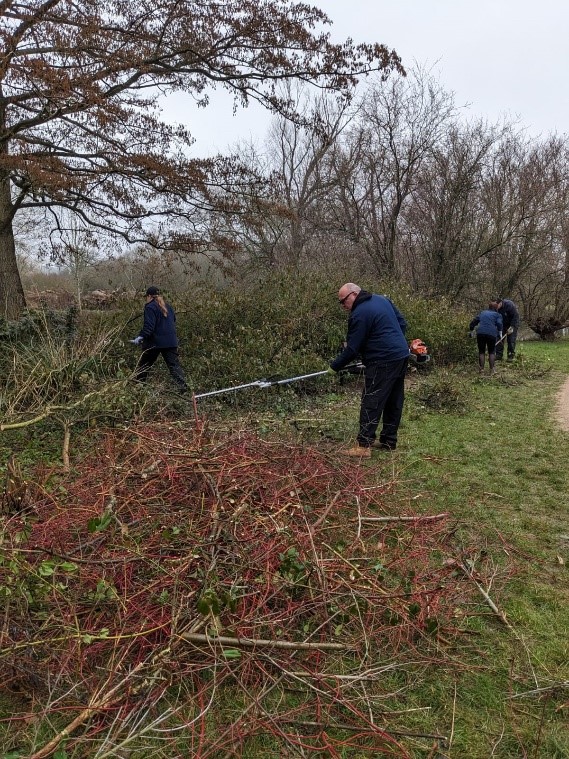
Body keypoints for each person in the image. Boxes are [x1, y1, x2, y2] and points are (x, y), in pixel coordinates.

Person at [329, 283, 409, 458]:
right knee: (393, 399)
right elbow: (402, 323)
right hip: (401, 354)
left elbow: (352, 349)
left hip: (383, 360)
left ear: (353, 294)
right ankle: (389, 441)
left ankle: (363, 445)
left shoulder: (359, 314)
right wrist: (391, 341)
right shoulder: (382, 299)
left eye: (343, 301)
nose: (343, 306)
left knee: (371, 399)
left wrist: (334, 367)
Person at [131, 286, 188, 393]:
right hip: (171, 341)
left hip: (155, 342)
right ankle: (183, 388)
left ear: (149, 296)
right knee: (174, 365)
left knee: (144, 365)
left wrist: (140, 337)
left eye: (146, 297)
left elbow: (149, 326)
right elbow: (173, 320)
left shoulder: (149, 307)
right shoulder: (168, 306)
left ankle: (138, 388)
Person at [469, 302, 503, 376]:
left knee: (481, 352)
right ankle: (492, 370)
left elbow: (474, 321)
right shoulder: (498, 315)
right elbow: (499, 324)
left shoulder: (482, 313)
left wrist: (471, 329)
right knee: (491, 352)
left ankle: (481, 370)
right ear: (496, 308)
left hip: (480, 333)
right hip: (491, 334)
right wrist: (500, 334)